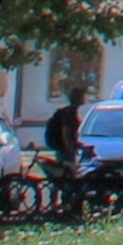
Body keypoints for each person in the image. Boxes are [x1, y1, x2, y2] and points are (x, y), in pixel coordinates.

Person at [44, 92, 85, 224]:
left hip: (62, 148)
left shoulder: (70, 112)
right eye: (82, 96)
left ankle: (60, 204)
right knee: (66, 177)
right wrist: (71, 149)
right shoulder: (69, 113)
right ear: (77, 98)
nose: (84, 98)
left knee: (63, 177)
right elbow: (66, 133)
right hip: (64, 150)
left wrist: (77, 145)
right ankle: (63, 205)